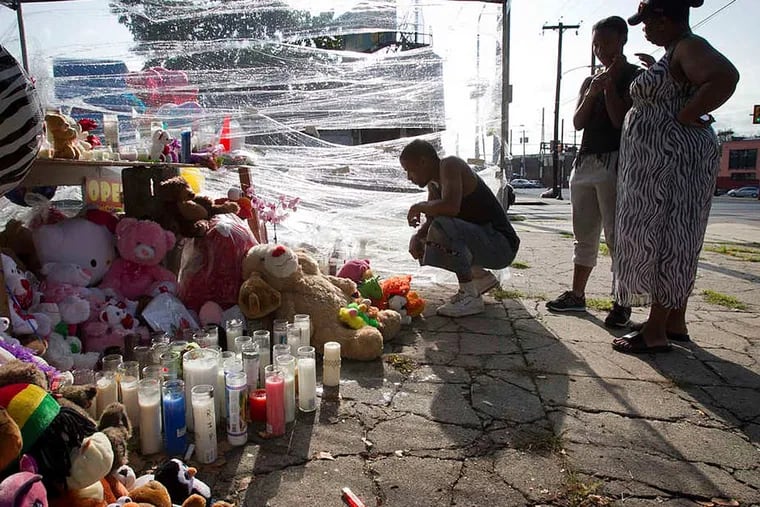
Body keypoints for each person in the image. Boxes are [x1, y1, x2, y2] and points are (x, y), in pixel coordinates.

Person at [612, 0, 739, 353]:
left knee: (669, 239)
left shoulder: (689, 46)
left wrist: (687, 114)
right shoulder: (675, 51)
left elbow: (724, 76)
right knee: (673, 235)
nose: (644, 29)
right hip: (662, 165)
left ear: (664, 19)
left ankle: (655, 331)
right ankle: (673, 321)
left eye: (646, 22)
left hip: (673, 165)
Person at [546, 16, 642, 328]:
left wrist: (611, 87)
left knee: (616, 236)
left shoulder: (635, 76)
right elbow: (577, 122)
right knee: (583, 234)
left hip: (615, 162)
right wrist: (592, 91)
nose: (600, 50)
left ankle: (622, 301)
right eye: (596, 44)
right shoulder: (590, 80)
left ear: (622, 41)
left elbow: (619, 120)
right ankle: (577, 294)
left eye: (607, 43)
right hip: (585, 162)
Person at [401, 139, 520, 317]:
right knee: (427, 237)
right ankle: (479, 278)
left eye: (409, 170)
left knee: (442, 225)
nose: (409, 177)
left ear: (423, 161)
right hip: (486, 241)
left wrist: (418, 206)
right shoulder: (434, 185)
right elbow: (432, 219)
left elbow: (450, 207)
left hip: (501, 245)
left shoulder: (450, 165)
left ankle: (470, 297)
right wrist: (417, 237)